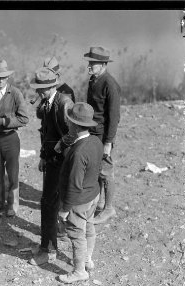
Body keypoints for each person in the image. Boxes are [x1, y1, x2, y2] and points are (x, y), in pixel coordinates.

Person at [27, 67, 74, 266]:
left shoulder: (64, 103)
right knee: (46, 203)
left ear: (53, 85)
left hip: (61, 163)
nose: (40, 92)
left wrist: (58, 146)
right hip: (51, 160)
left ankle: (49, 250)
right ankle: (46, 244)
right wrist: (43, 156)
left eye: (43, 88)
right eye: (39, 88)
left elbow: (73, 133)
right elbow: (45, 133)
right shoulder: (47, 102)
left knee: (50, 205)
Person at [57, 102, 103, 284]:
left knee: (77, 234)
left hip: (79, 200)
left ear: (75, 125)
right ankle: (87, 260)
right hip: (93, 194)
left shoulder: (78, 152)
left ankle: (79, 271)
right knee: (89, 227)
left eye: (70, 121)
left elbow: (75, 185)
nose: (68, 123)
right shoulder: (95, 141)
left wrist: (65, 209)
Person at [0, 59, 29, 217]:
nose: (0, 80)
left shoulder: (15, 93)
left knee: (12, 172)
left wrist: (4, 121)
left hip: (10, 138)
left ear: (7, 77)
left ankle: (12, 205)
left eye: (3, 77)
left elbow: (24, 119)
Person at [82, 46, 121, 224]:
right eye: (90, 62)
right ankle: (100, 203)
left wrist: (108, 142)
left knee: (105, 171)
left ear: (104, 64)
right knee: (95, 169)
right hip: (92, 132)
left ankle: (109, 209)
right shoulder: (93, 80)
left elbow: (114, 117)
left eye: (93, 63)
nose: (90, 65)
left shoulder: (110, 85)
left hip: (103, 135)